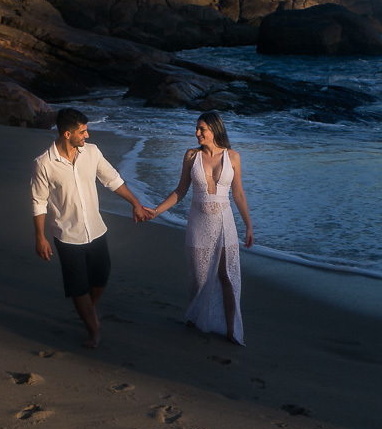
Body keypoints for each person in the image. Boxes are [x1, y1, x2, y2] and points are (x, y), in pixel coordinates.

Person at [31, 108, 154, 348]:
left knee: (100, 279)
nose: (87, 135)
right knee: (77, 288)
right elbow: (38, 202)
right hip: (67, 235)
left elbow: (113, 180)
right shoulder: (44, 164)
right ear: (67, 134)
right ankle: (93, 328)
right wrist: (40, 237)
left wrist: (136, 203)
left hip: (96, 230)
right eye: (82, 131)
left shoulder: (92, 153)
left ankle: (89, 309)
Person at [152, 112, 253, 345]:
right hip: (198, 222)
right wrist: (156, 211)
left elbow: (238, 193)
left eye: (202, 129)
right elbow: (180, 191)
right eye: (197, 128)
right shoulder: (191, 156)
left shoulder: (233, 157)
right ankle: (195, 316)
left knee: (226, 275)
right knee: (198, 277)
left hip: (224, 223)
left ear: (215, 130)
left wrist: (248, 226)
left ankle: (230, 329)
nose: (197, 133)